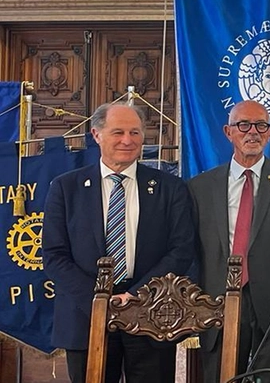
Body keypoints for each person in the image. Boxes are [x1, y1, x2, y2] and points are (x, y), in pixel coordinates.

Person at [43, 103, 196, 383]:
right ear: (96, 135)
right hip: (85, 317)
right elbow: (54, 255)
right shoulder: (66, 188)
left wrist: (136, 296)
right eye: (118, 132)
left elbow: (182, 249)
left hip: (152, 315)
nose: (128, 140)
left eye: (135, 132)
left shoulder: (170, 188)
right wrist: (100, 299)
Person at [188, 100, 270, 383]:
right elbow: (191, 250)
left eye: (261, 126)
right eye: (243, 125)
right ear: (228, 132)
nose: (252, 132)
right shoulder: (200, 187)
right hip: (217, 304)